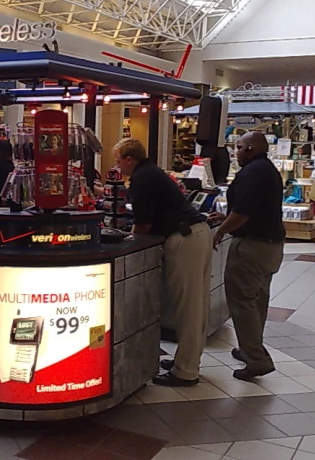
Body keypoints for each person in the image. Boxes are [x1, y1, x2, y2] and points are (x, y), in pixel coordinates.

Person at [113, 138, 211, 387]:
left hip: (183, 238)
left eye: (118, 160)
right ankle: (188, 360)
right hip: (198, 232)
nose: (117, 166)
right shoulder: (153, 172)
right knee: (197, 305)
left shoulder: (141, 178)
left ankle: (186, 370)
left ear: (129, 159)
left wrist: (130, 240)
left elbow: (143, 223)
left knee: (187, 308)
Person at [213, 132, 285, 381]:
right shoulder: (267, 169)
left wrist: (221, 230)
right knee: (257, 300)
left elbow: (243, 212)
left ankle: (257, 359)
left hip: (252, 247)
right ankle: (250, 349)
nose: (235, 151)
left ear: (251, 148)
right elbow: (254, 209)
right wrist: (227, 219)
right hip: (272, 245)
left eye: (239, 147)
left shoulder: (252, 173)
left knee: (242, 301)